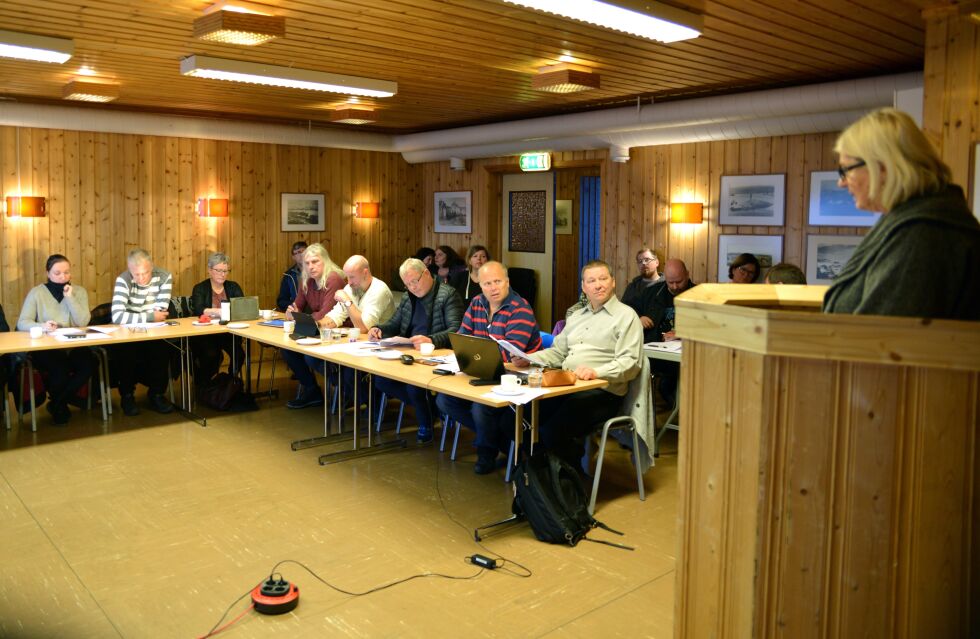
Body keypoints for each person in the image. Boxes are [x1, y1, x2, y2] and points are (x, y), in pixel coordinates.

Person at [824, 107, 980, 319]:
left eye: (846, 169)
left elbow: (882, 340)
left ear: (884, 167)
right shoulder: (915, 222)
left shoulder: (921, 234)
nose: (841, 182)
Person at [512, 260, 643, 469]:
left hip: (602, 392)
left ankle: (566, 481)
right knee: (523, 415)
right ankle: (539, 473)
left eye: (603, 279)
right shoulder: (576, 316)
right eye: (591, 281)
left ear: (613, 282)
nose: (598, 285)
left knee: (552, 429)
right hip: (567, 385)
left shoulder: (627, 317)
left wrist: (596, 372)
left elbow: (630, 363)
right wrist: (530, 358)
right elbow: (558, 352)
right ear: (584, 287)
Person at [435, 261, 542, 473]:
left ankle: (486, 453)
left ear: (507, 282)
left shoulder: (520, 309)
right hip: (480, 371)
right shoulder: (476, 303)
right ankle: (499, 439)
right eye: (487, 283)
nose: (493, 288)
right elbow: (463, 337)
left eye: (497, 282)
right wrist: (468, 353)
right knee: (444, 400)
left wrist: (473, 354)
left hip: (513, 377)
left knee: (480, 407)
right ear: (480, 285)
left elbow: (508, 355)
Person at [367, 258, 463, 443]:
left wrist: (431, 339)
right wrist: (379, 329)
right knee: (380, 380)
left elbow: (456, 330)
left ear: (426, 273)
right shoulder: (407, 297)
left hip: (436, 354)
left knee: (413, 385)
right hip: (408, 351)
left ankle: (426, 422)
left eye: (415, 281)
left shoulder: (448, 295)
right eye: (407, 284)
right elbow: (394, 323)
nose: (412, 287)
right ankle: (433, 410)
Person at [16, 254, 95, 424]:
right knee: (60, 367)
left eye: (66, 273)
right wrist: (42, 326)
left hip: (73, 343)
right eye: (57, 273)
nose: (62, 277)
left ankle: (58, 402)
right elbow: (23, 322)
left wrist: (69, 297)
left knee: (89, 363)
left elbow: (83, 321)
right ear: (48, 273)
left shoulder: (79, 292)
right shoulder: (37, 293)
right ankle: (60, 406)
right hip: (46, 346)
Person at [110, 248, 174, 416]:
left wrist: (142, 316)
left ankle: (157, 394)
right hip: (127, 331)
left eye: (145, 273)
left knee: (162, 348)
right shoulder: (123, 280)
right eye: (135, 274)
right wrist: (150, 316)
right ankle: (127, 396)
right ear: (129, 270)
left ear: (151, 267)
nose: (141, 278)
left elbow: (160, 312)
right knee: (125, 351)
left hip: (153, 329)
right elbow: (117, 316)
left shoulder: (164, 276)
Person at [282, 243, 346, 409]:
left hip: (338, 330)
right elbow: (297, 306)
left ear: (325, 261)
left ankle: (348, 388)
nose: (311, 266)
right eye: (307, 263)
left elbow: (326, 314)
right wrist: (291, 311)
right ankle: (312, 391)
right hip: (316, 328)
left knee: (310, 355)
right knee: (288, 349)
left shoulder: (333, 279)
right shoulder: (307, 280)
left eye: (315, 262)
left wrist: (300, 317)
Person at [639, 259, 695, 406]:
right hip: (655, 352)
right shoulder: (651, 293)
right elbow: (626, 311)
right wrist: (638, 318)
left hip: (687, 354)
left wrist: (684, 332)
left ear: (687, 275)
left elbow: (710, 326)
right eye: (670, 282)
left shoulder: (700, 295)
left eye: (679, 281)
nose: (675, 286)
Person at [190, 252, 245, 382]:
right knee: (212, 355)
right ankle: (205, 383)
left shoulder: (233, 286)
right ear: (210, 270)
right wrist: (218, 311)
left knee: (239, 354)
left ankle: (231, 382)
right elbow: (198, 309)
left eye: (225, 271)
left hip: (228, 332)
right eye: (219, 270)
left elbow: (241, 306)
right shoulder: (200, 288)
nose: (223, 274)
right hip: (206, 334)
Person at [320, 255, 395, 331]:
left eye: (352, 277)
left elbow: (364, 328)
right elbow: (335, 316)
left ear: (365, 273)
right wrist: (316, 325)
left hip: (382, 339)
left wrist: (347, 301)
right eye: (347, 277)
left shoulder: (379, 290)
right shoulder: (351, 288)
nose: (349, 282)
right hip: (363, 339)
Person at [621, 247, 664, 334]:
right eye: (640, 261)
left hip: (664, 337)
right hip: (637, 334)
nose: (643, 263)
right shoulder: (632, 287)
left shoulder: (667, 285)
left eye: (647, 259)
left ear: (657, 262)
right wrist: (637, 318)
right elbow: (623, 311)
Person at [276, 240, 307, 311]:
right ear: (293, 257)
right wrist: (294, 305)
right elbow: (281, 301)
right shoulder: (288, 275)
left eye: (301, 252)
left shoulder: (315, 272)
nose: (299, 255)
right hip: (296, 312)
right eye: (295, 253)